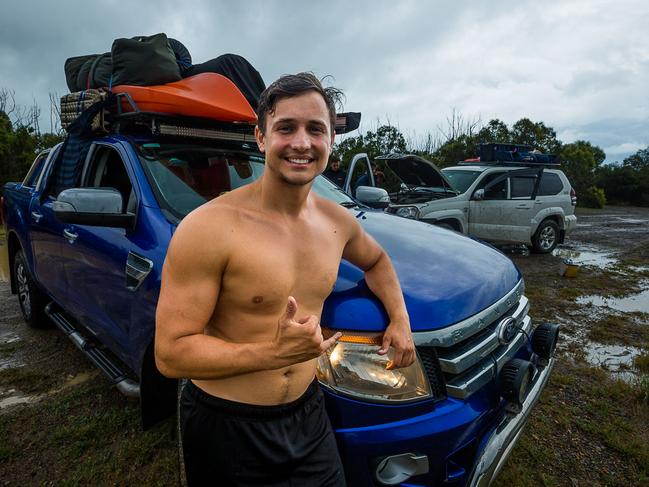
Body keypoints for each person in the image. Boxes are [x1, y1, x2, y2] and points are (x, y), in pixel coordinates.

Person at [154, 72, 415, 487]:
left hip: (308, 414)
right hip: (226, 426)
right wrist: (273, 354)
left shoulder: (336, 222)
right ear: (260, 138)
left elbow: (378, 260)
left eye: (316, 129)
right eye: (285, 128)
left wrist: (400, 319)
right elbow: (170, 354)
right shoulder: (208, 228)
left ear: (331, 140)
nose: (301, 142)